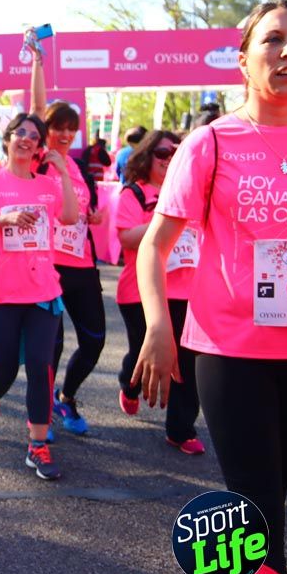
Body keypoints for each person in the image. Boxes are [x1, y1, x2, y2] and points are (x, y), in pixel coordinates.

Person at [134, 0, 287, 574]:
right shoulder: (210, 143)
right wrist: (158, 326)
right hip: (232, 356)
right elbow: (154, 243)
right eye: (273, 40)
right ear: (244, 58)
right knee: (262, 513)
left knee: (267, 491)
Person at [0, 113, 78, 480]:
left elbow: (72, 217)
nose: (26, 139)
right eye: (20, 133)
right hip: (2, 293)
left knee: (42, 367)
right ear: (8, 139)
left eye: (34, 135)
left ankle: (37, 445)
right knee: (6, 368)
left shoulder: (48, 185)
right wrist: (3, 220)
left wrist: (62, 174)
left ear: (39, 147)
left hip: (44, 292)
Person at [30, 40, 106, 436]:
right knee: (51, 347)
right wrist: (38, 63)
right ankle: (42, 413)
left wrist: (92, 215)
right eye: (58, 126)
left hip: (83, 266)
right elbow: (36, 111)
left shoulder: (77, 167)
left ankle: (67, 396)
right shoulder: (42, 159)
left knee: (94, 340)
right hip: (49, 267)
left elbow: (80, 213)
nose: (64, 133)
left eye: (70, 128)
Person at [114, 131, 203, 454]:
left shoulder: (192, 192)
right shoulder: (134, 194)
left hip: (187, 289)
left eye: (176, 153)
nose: (169, 159)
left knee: (186, 361)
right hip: (140, 291)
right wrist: (166, 223)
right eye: (163, 153)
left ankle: (181, 430)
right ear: (148, 155)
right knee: (143, 350)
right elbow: (126, 237)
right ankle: (130, 383)